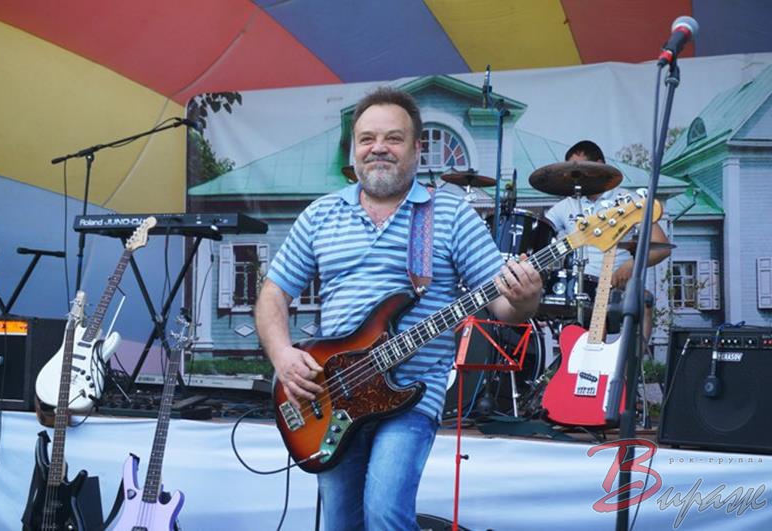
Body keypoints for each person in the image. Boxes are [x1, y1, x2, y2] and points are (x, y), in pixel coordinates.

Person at [255, 87, 543, 530]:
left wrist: (525, 299)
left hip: (411, 395)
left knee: (386, 510)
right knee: (340, 522)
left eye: (393, 138)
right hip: (331, 394)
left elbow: (504, 306)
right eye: (367, 139)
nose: (379, 148)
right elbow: (273, 294)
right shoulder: (320, 215)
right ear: (353, 150)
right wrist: (282, 355)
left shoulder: (449, 214)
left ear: (416, 149)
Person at [544, 140, 671, 340]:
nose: (574, 177)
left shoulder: (627, 201)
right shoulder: (565, 206)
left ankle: (632, 360)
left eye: (579, 170)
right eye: (570, 172)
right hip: (576, 287)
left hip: (617, 285)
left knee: (643, 301)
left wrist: (631, 265)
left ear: (600, 165)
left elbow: (661, 247)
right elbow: (540, 237)